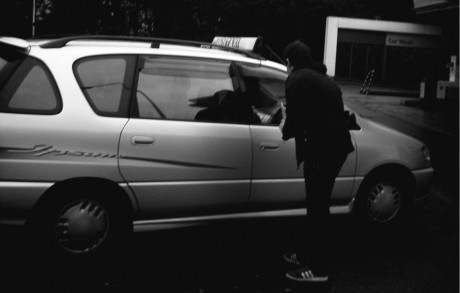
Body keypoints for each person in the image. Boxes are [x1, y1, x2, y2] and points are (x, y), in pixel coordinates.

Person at [280, 40, 354, 282]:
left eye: (286, 62)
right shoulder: (321, 78)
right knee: (318, 204)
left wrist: (283, 125)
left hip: (323, 150)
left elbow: (294, 122)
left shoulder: (296, 79)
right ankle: (307, 253)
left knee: (318, 207)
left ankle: (319, 269)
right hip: (334, 148)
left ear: (290, 62)